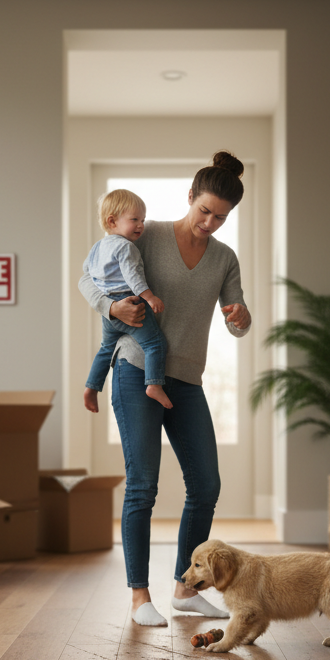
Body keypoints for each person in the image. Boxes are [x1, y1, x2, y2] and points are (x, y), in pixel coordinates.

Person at [78, 151, 252, 626]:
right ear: (190, 197)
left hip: (187, 380)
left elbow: (238, 322)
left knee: (206, 486)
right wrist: (114, 311)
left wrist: (242, 318)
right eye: (204, 211)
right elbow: (87, 278)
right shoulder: (145, 233)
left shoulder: (224, 258)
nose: (210, 223)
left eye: (221, 217)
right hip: (136, 371)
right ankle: (139, 598)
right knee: (143, 487)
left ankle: (184, 588)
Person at [83, 189, 171, 412]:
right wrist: (149, 297)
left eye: (142, 219)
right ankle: (154, 384)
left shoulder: (97, 247)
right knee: (155, 344)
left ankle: (92, 387)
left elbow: (87, 273)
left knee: (105, 349)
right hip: (130, 302)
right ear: (112, 221)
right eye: (135, 220)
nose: (141, 225)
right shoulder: (126, 247)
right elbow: (133, 276)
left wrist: (107, 304)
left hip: (109, 310)